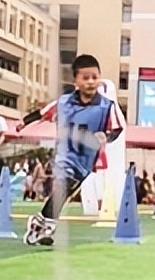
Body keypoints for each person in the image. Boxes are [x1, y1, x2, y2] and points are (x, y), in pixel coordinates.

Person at [16, 54, 125, 246]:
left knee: (65, 193)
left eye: (95, 77)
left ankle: (40, 223)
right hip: (65, 155)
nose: (91, 82)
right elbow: (42, 113)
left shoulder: (107, 107)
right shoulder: (63, 103)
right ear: (76, 81)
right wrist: (23, 123)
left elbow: (117, 129)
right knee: (64, 187)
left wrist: (104, 138)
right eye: (86, 78)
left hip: (87, 161)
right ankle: (47, 225)